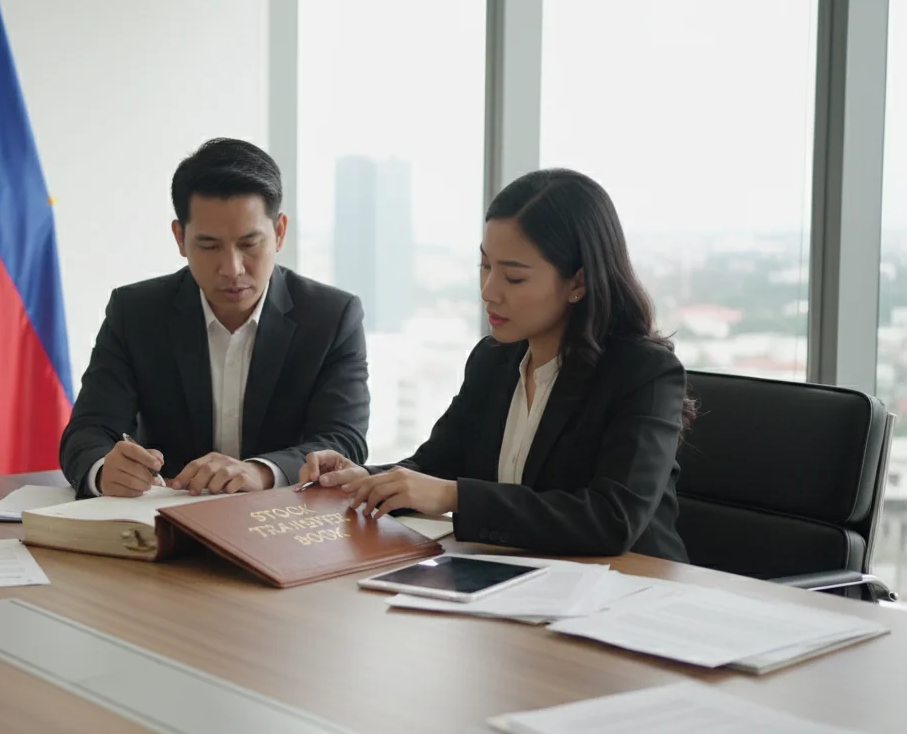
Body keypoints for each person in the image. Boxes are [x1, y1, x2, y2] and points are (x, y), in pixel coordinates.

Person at [297, 168, 694, 561]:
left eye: (514, 278)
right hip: (520, 576)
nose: (488, 292)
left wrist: (454, 496)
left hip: (631, 586)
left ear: (578, 283)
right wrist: (364, 479)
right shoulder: (493, 359)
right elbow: (433, 466)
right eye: (485, 266)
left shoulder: (644, 373)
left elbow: (612, 519)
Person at [60, 138, 370, 498]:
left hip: (284, 518)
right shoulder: (135, 313)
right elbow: (89, 430)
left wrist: (261, 471)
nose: (232, 268)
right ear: (180, 238)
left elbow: (343, 440)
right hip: (164, 516)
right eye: (208, 246)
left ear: (279, 232)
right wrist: (103, 470)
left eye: (249, 244)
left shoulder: (331, 317)